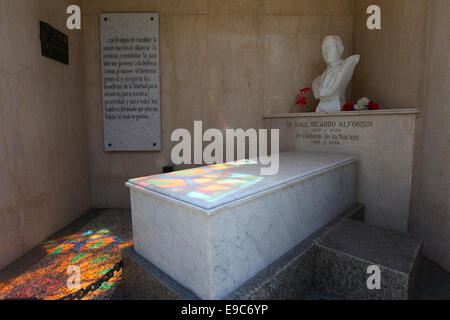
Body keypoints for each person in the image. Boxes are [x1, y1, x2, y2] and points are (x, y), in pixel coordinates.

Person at [312, 35, 360, 113]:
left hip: (337, 104)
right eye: (324, 48)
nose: (327, 51)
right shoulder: (316, 81)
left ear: (340, 49)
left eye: (331, 47)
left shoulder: (348, 65)